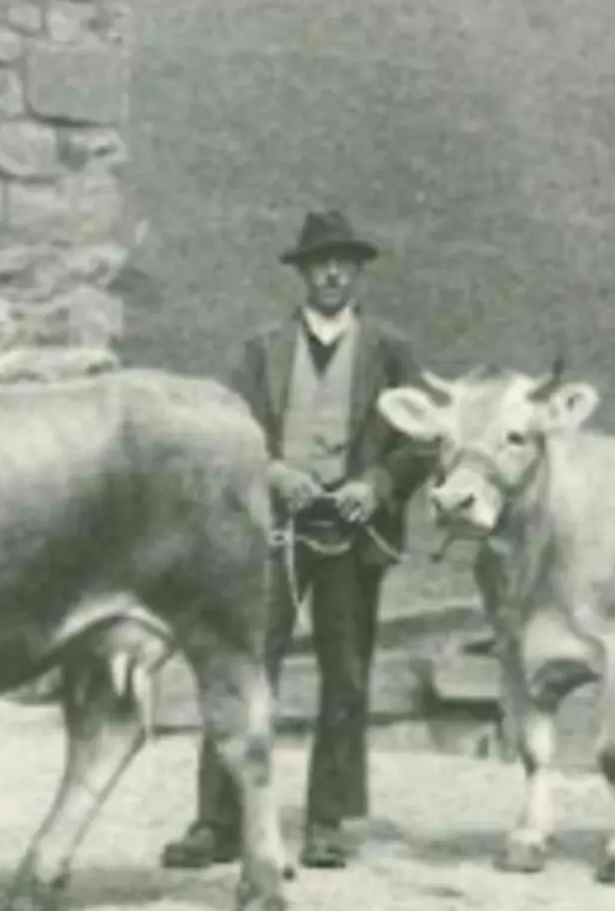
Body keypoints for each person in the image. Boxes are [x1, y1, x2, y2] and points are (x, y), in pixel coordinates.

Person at [161, 209, 434, 870]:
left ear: (359, 272)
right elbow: (228, 428)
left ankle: (329, 822)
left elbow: (424, 438)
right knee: (246, 667)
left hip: (352, 533)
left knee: (345, 674)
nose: (333, 273)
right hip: (272, 533)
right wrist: (273, 468)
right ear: (304, 273)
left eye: (344, 263)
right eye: (321, 263)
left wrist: (377, 482)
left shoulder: (388, 349)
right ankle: (218, 823)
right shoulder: (264, 349)